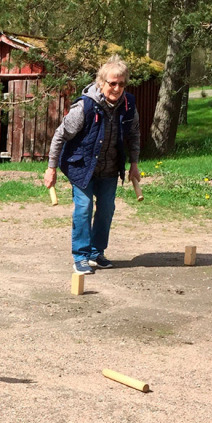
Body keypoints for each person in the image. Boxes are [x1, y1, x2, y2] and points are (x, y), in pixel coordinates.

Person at [44, 55, 141, 275]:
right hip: (81, 167)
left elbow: (134, 133)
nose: (117, 88)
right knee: (84, 207)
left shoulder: (128, 105)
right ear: (101, 82)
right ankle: (80, 255)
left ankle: (97, 252)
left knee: (107, 209)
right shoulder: (85, 106)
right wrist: (51, 168)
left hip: (109, 167)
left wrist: (134, 163)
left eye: (121, 84)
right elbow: (60, 135)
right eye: (112, 83)